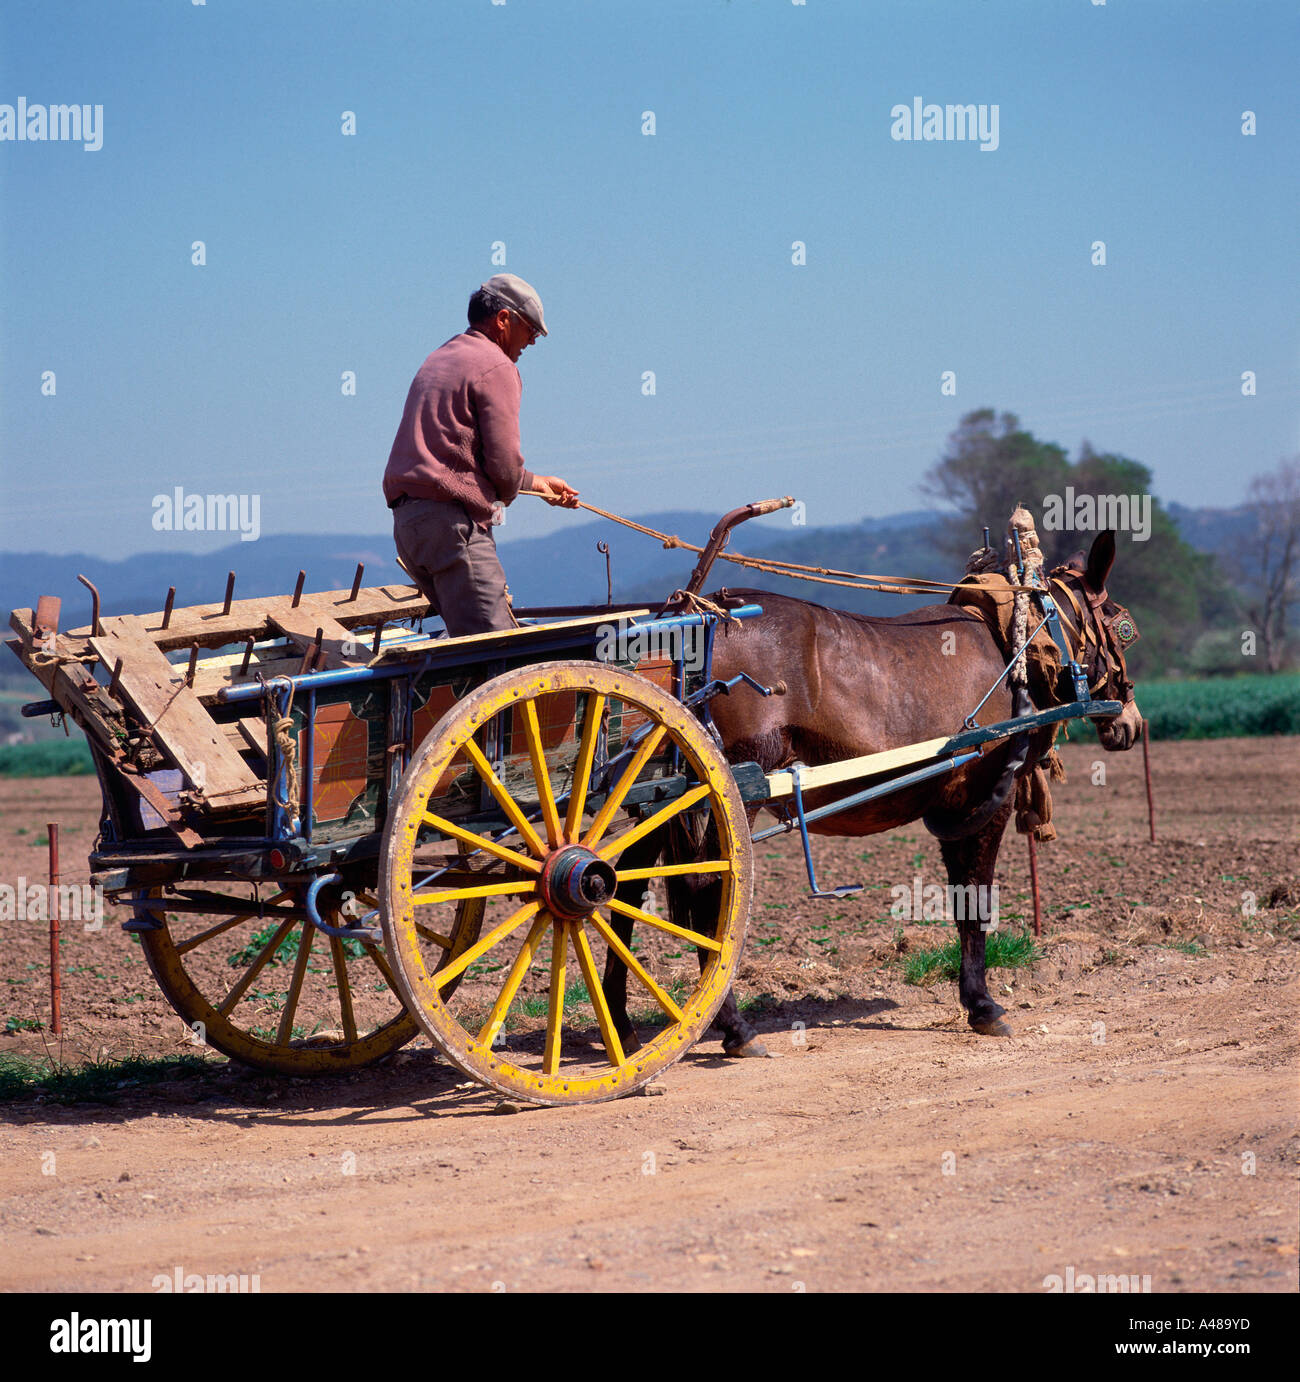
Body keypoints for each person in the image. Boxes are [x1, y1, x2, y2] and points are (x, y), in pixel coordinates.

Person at [383, 273, 579, 636]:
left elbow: (456, 453)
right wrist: (515, 486)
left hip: (411, 527)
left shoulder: (441, 357)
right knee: (496, 652)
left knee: (464, 643)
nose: (532, 341)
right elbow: (503, 468)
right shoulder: (497, 366)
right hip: (452, 526)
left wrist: (537, 484)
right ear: (504, 319)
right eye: (531, 329)